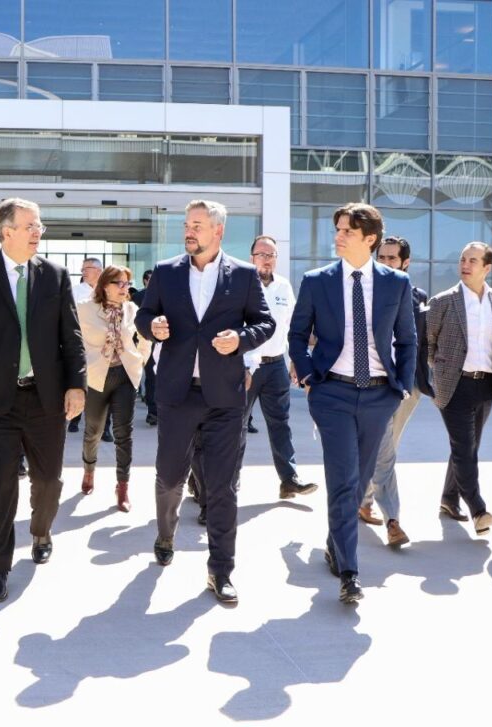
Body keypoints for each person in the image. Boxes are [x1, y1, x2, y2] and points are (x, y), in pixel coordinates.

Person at [136, 199, 275, 605]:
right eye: (187, 224)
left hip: (224, 397)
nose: (189, 231)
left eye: (197, 225)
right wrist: (153, 326)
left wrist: (241, 339)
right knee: (169, 477)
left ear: (218, 231)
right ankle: (166, 534)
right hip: (176, 395)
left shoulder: (244, 275)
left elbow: (265, 323)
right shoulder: (166, 272)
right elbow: (144, 316)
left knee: (222, 487)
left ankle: (221, 570)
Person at [0, 198, 86, 603]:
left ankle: (41, 531)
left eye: (39, 225)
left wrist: (76, 385)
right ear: (6, 231)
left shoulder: (55, 275)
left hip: (46, 400)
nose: (37, 232)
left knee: (48, 481)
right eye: (30, 226)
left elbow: (71, 335)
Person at [289, 203, 416, 605]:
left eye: (347, 231)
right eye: (338, 229)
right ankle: (349, 572)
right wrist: (307, 376)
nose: (339, 236)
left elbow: (407, 340)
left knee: (361, 481)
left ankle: (336, 543)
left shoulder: (396, 283)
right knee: (344, 480)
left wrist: (401, 387)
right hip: (333, 394)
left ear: (370, 239)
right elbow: (297, 335)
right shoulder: (317, 281)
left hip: (380, 395)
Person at [427, 242, 492, 536]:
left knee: (468, 448)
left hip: (486, 384)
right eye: (463, 259)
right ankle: (478, 509)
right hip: (455, 385)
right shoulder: (442, 302)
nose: (465, 264)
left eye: (473, 260)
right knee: (464, 449)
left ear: (487, 268)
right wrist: (442, 372)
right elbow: (428, 343)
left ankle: (449, 499)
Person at [359, 236, 432, 546]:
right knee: (381, 451)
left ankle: (366, 501)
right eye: (383, 257)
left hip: (405, 386)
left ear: (406, 263)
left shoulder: (418, 296)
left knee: (387, 447)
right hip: (370, 383)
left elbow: (421, 341)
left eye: (392, 258)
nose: (387, 262)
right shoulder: (362, 291)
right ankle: (391, 519)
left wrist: (422, 381)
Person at [237, 235, 317, 500]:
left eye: (271, 255)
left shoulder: (283, 286)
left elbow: (292, 326)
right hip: (245, 367)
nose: (266, 259)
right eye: (261, 254)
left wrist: (295, 359)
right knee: (235, 425)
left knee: (280, 424)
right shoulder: (240, 284)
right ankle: (225, 482)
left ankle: (289, 479)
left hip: (275, 366)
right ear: (252, 257)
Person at [77, 265, 151, 512]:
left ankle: (122, 487)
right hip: (96, 376)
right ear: (104, 285)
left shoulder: (131, 309)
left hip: (124, 375)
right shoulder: (85, 308)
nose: (124, 288)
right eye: (118, 283)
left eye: (126, 283)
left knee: (123, 433)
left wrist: (140, 361)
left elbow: (145, 338)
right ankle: (89, 470)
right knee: (93, 430)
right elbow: (72, 341)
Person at [69, 257, 111, 441]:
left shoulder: (108, 291)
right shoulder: (75, 291)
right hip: (82, 345)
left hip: (104, 348)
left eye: (87, 268)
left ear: (99, 271)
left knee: (105, 388)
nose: (83, 272)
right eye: (82, 269)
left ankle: (105, 428)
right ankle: (75, 418)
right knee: (81, 381)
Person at [132, 270, 158, 425]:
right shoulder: (138, 297)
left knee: (153, 377)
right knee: (151, 377)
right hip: (145, 342)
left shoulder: (166, 294)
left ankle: (155, 410)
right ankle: (153, 411)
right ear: (145, 281)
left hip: (160, 341)